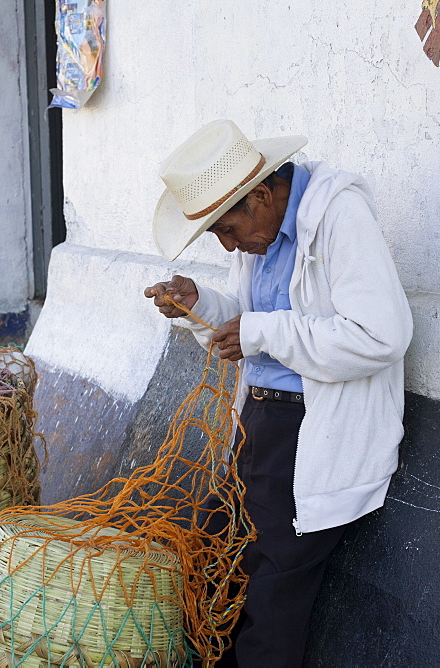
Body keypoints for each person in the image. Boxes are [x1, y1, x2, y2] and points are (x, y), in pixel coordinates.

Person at [143, 120, 413, 666]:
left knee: (270, 598)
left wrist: (259, 331)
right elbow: (257, 328)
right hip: (258, 425)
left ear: (263, 195)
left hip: (313, 429)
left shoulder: (339, 218)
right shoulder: (259, 232)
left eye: (227, 230)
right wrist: (202, 305)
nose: (228, 245)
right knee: (217, 560)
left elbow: (382, 335)